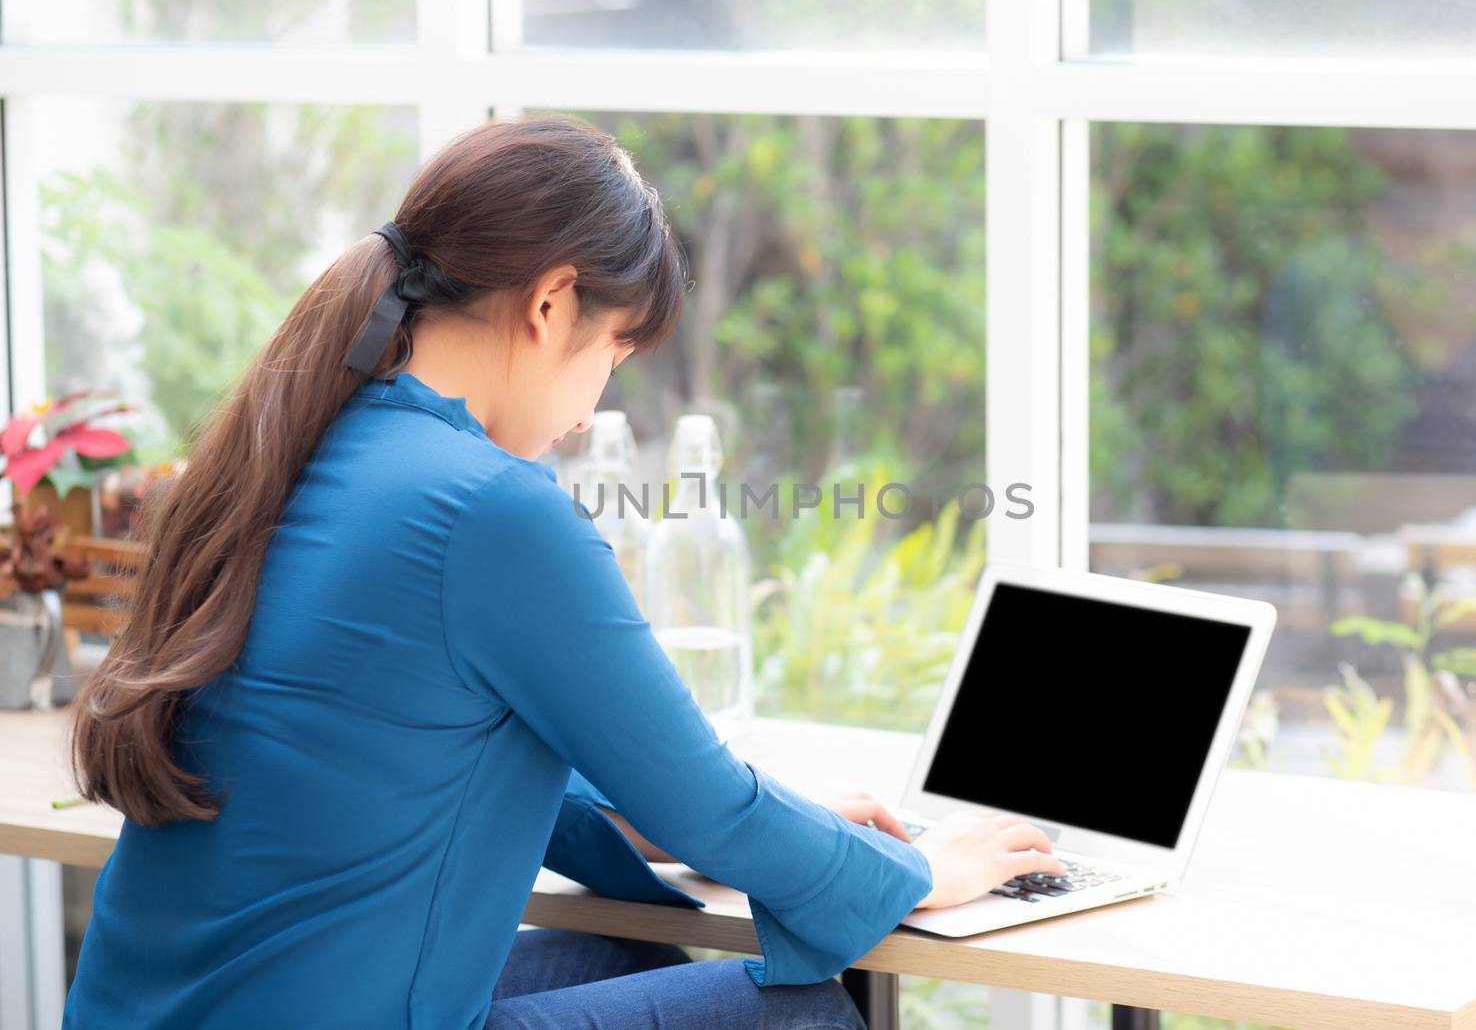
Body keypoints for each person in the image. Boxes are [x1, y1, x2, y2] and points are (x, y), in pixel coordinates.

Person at [62, 112, 1068, 1029]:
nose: (589, 410)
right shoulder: (491, 507)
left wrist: (758, 823)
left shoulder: (295, 450)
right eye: (614, 356)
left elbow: (418, 750)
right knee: (800, 1013)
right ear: (550, 304)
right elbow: (709, 802)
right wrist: (919, 867)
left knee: (619, 950)